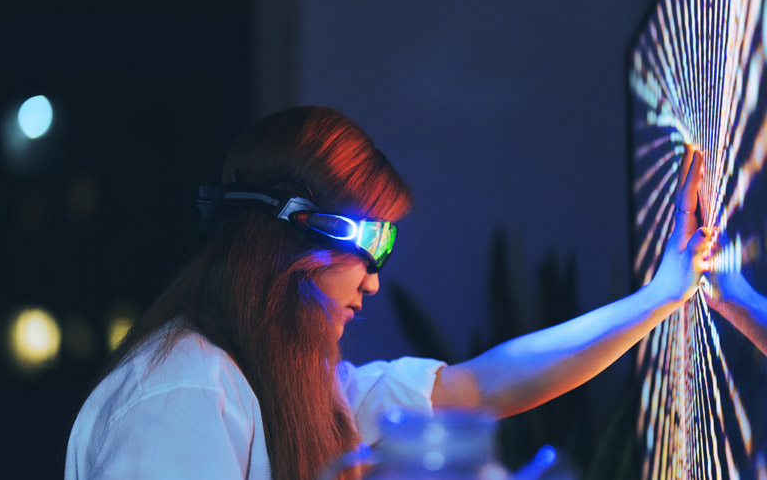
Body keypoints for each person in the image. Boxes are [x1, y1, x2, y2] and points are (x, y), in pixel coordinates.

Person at [64, 106, 712, 480]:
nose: (375, 279)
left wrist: (662, 294)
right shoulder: (186, 393)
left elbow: (479, 389)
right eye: (370, 247)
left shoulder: (295, 386)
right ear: (300, 237)